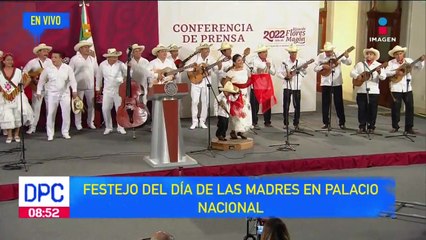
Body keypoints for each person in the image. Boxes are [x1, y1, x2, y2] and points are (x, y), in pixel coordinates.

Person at [37, 51, 77, 141]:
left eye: (55, 57)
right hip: (52, 94)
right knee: (51, 114)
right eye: (52, 57)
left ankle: (65, 132)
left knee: (66, 113)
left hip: (65, 94)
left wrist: (74, 90)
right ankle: (50, 134)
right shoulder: (48, 69)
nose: (53, 59)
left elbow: (73, 80)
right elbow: (41, 80)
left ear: (61, 59)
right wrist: (39, 91)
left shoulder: (68, 68)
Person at [385, 45, 424, 134]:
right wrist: (396, 72)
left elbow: (418, 67)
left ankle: (409, 127)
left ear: (403, 54)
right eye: (397, 54)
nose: (399, 56)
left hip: (407, 88)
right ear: (394, 55)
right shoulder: (391, 63)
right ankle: (395, 126)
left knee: (410, 108)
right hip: (396, 88)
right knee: (395, 108)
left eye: (400, 53)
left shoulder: (409, 61)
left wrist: (421, 61)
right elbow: (386, 73)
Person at [314, 42, 352, 129]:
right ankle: (326, 122)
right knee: (325, 103)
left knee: (338, 102)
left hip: (337, 82)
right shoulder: (320, 56)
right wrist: (323, 66)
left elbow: (349, 62)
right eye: (327, 51)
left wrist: (347, 56)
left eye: (330, 51)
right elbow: (315, 68)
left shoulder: (338, 54)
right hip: (326, 82)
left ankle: (342, 122)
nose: (329, 53)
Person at [350, 48, 386, 134]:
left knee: (372, 110)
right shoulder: (360, 64)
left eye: (371, 54)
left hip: (373, 91)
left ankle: (371, 127)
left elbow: (383, 77)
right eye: (367, 54)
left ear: (374, 56)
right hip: (361, 90)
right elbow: (352, 73)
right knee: (362, 109)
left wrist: (380, 72)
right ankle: (362, 126)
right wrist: (357, 76)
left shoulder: (378, 65)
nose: (368, 55)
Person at [0, 53, 34, 143]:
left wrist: (21, 89)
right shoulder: (0, 72)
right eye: (8, 60)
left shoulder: (18, 71)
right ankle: (9, 135)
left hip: (17, 96)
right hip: (5, 97)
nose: (10, 61)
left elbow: (28, 79)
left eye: (11, 60)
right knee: (8, 116)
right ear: (3, 61)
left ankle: (16, 134)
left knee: (18, 114)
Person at [23, 43, 54, 134]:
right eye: (44, 51)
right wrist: (32, 79)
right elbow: (24, 73)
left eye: (47, 51)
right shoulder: (32, 62)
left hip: (49, 88)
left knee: (51, 108)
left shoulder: (51, 61)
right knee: (36, 107)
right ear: (38, 52)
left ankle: (50, 127)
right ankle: (32, 127)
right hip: (37, 88)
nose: (46, 52)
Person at [95, 48, 128, 135]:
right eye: (113, 57)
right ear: (108, 57)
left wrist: (122, 79)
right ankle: (108, 127)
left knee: (119, 109)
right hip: (107, 90)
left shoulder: (120, 64)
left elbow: (128, 74)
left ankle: (121, 127)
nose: (115, 58)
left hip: (118, 90)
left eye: (116, 57)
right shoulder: (102, 65)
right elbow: (99, 77)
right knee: (105, 108)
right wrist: (98, 88)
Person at [186, 42, 217, 130]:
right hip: (195, 82)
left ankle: (202, 121)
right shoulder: (195, 58)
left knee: (205, 102)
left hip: (206, 82)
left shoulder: (211, 59)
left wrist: (211, 70)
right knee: (195, 102)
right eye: (205, 48)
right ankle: (194, 122)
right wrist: (196, 69)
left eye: (208, 48)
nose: (207, 50)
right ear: (201, 50)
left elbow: (216, 70)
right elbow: (187, 68)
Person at [277, 43, 308, 130]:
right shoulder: (285, 62)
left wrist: (304, 68)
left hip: (297, 86)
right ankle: (285, 123)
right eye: (292, 53)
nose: (293, 54)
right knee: (286, 105)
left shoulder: (301, 61)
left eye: (295, 53)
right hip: (287, 86)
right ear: (289, 53)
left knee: (297, 105)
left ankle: (296, 123)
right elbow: (278, 72)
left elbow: (305, 73)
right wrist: (285, 77)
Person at [69, 40, 99, 130]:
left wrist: (97, 86)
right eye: (85, 47)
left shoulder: (92, 59)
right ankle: (78, 124)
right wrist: (71, 86)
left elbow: (97, 73)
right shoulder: (74, 59)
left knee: (91, 105)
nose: (87, 49)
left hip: (90, 86)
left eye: (88, 47)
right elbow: (70, 73)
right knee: (78, 105)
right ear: (80, 49)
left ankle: (90, 122)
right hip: (78, 86)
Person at [250, 44, 276, 129]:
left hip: (266, 85)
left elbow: (273, 72)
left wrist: (270, 66)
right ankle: (254, 122)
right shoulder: (254, 60)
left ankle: (267, 121)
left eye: (266, 51)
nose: (266, 53)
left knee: (267, 104)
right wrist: (258, 70)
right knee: (255, 105)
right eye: (264, 52)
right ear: (259, 53)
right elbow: (252, 71)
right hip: (256, 85)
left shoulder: (269, 60)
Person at [227, 54, 253, 139]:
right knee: (236, 113)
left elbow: (249, 79)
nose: (241, 62)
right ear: (234, 62)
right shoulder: (231, 72)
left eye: (242, 60)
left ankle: (241, 131)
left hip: (244, 94)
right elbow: (225, 82)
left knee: (245, 111)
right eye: (238, 60)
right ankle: (234, 130)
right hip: (236, 94)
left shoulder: (245, 70)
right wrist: (233, 89)